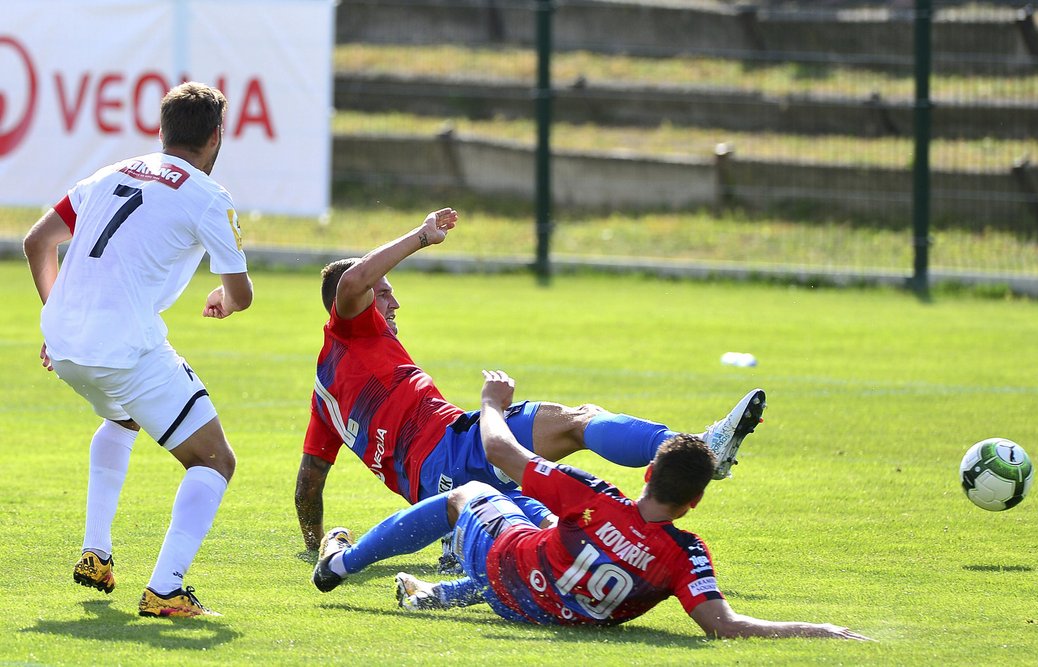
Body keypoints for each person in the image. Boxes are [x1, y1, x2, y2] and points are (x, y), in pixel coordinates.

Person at [294, 210, 767, 561]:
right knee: (577, 424)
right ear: (351, 305)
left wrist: (315, 544)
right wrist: (421, 235)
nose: (394, 301)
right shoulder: (352, 329)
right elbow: (355, 279)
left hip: (439, 488)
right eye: (383, 293)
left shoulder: (325, 396)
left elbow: (308, 485)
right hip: (458, 448)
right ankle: (700, 448)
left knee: (559, 531)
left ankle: (465, 544)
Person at [310, 371, 871, 640]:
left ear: (647, 473)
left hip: (513, 584)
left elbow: (499, 449)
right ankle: (441, 593)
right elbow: (726, 625)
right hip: (559, 607)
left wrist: (490, 401)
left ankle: (339, 564)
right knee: (541, 518)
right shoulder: (687, 554)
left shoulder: (596, 499)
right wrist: (821, 630)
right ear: (694, 502)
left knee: (471, 495)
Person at [23, 81, 253, 618]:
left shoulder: (111, 172)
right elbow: (241, 293)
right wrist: (223, 296)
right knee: (215, 459)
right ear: (218, 135)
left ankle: (96, 555)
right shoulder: (209, 197)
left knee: (123, 418)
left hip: (66, 342)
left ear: (161, 130)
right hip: (123, 347)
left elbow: (37, 241)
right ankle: (166, 590)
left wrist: (63, 320)